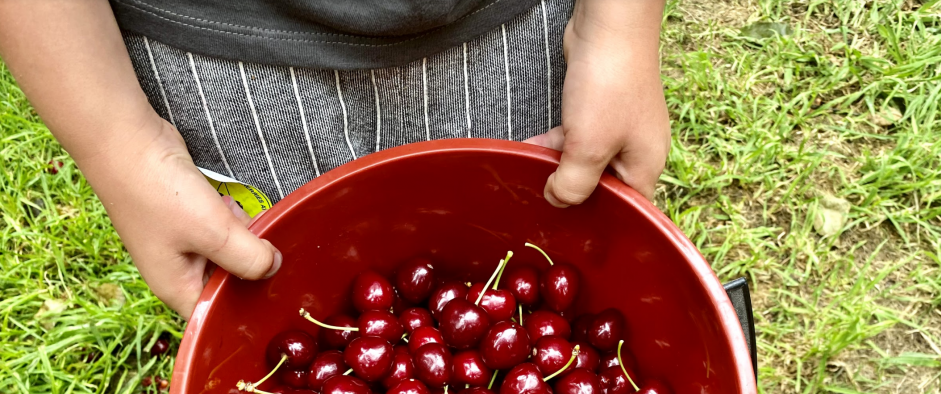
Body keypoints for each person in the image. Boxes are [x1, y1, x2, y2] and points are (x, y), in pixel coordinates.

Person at [0, 1, 669, 319]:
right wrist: (121, 144)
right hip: (231, 65)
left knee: (531, 269)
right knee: (293, 302)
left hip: (516, 29)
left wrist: (621, 24)